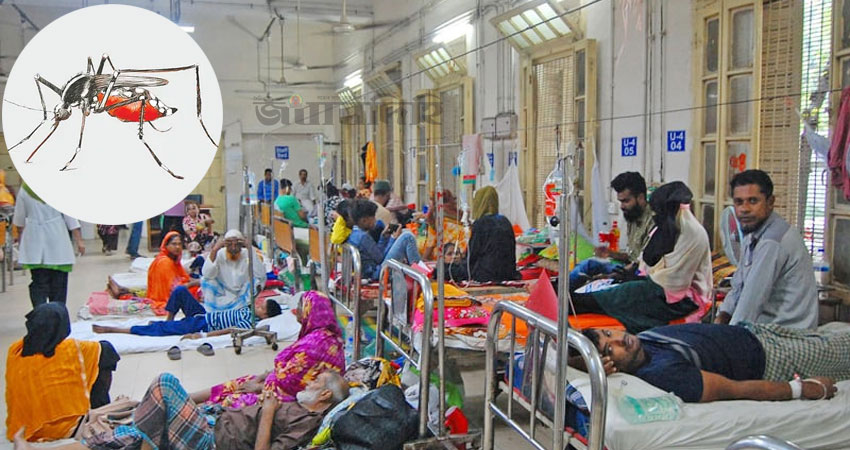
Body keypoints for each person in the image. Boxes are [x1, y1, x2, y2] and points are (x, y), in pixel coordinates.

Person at [12, 370, 348, 450]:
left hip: (214, 441)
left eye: (317, 381)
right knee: (127, 434)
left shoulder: (307, 421)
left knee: (165, 384)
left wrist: (270, 410)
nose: (309, 381)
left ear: (323, 397)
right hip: (211, 423)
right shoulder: (296, 404)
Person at [581, 322, 848, 403]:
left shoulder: (643, 342)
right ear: (611, 365)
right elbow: (735, 389)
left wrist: (583, 362)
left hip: (759, 332)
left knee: (840, 334)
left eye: (608, 333)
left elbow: (570, 352)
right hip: (773, 359)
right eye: (610, 349)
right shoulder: (664, 374)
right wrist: (802, 389)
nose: (619, 339)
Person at [569, 182, 712, 333]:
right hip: (656, 286)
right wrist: (625, 274)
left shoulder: (691, 234)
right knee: (614, 288)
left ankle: (570, 303)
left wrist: (636, 280)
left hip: (682, 301)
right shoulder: (663, 228)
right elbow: (645, 261)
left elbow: (674, 283)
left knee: (622, 295)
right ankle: (570, 299)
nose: (656, 217)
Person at [715, 170, 818, 329]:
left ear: (770, 202)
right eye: (739, 202)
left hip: (786, 333)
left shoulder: (773, 241)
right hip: (765, 327)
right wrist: (722, 315)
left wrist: (726, 337)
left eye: (753, 201)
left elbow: (751, 301)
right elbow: (738, 287)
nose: (744, 209)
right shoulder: (752, 234)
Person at [206, 291, 346, 408]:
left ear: (309, 311)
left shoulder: (314, 345)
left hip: (296, 400)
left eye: (300, 306)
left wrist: (259, 387)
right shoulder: (327, 336)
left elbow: (294, 386)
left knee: (234, 399)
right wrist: (261, 378)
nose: (296, 311)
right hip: (286, 387)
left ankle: (204, 411)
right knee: (243, 381)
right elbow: (288, 373)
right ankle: (194, 402)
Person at [6, 303, 120, 442]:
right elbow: (105, 353)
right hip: (66, 426)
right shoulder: (72, 348)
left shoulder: (15, 350)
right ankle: (101, 406)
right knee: (105, 351)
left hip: (23, 428)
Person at [569, 172, 654, 291]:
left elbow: (642, 264)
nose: (622, 206)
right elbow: (632, 256)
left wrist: (609, 277)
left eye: (626, 201)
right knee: (588, 264)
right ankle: (560, 292)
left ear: (640, 198)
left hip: (639, 274)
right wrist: (610, 253)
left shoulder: (653, 221)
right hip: (628, 267)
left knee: (590, 271)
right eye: (620, 201)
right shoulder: (633, 216)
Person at [13, 183, 85, 308]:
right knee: (59, 285)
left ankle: (40, 313)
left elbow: (19, 220)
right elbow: (70, 217)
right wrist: (79, 240)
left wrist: (21, 242)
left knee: (39, 282)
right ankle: (57, 315)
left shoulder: (25, 189)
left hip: (34, 240)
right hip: (57, 238)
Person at [92, 296, 281, 337]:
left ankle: (116, 329)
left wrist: (202, 335)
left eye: (261, 306)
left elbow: (230, 330)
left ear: (265, 315)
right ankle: (166, 323)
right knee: (180, 291)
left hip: (202, 325)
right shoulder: (249, 309)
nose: (257, 305)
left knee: (162, 330)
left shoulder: (249, 322)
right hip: (203, 315)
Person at [447, 186, 520, 283]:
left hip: (486, 274)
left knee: (447, 270)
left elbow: (472, 255)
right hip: (508, 273)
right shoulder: (505, 221)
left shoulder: (481, 223)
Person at [348, 199, 421, 280]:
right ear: (364, 220)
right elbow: (381, 259)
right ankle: (420, 274)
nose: (375, 220)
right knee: (407, 236)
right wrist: (393, 239)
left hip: (372, 270)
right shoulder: (363, 237)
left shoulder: (355, 234)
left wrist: (383, 237)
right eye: (373, 217)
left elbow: (377, 254)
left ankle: (416, 269)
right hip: (378, 273)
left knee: (405, 232)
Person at [200, 229, 265, 312]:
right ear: (225, 245)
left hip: (243, 295)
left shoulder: (247, 253)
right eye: (230, 245)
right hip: (224, 294)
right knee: (206, 281)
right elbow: (206, 274)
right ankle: (212, 313)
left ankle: (244, 308)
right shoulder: (220, 253)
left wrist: (250, 248)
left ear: (241, 245)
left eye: (237, 245)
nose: (233, 248)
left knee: (258, 281)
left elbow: (260, 274)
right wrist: (214, 250)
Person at [147, 231, 200, 312]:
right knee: (198, 291)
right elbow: (174, 289)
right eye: (174, 244)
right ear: (166, 245)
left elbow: (183, 277)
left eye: (179, 244)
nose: (177, 247)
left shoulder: (174, 260)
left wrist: (198, 281)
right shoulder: (165, 262)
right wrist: (194, 283)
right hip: (166, 297)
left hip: (173, 291)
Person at [422, 190, 469, 260]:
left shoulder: (437, 218)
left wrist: (422, 261)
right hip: (462, 253)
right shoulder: (458, 213)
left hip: (447, 256)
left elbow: (430, 245)